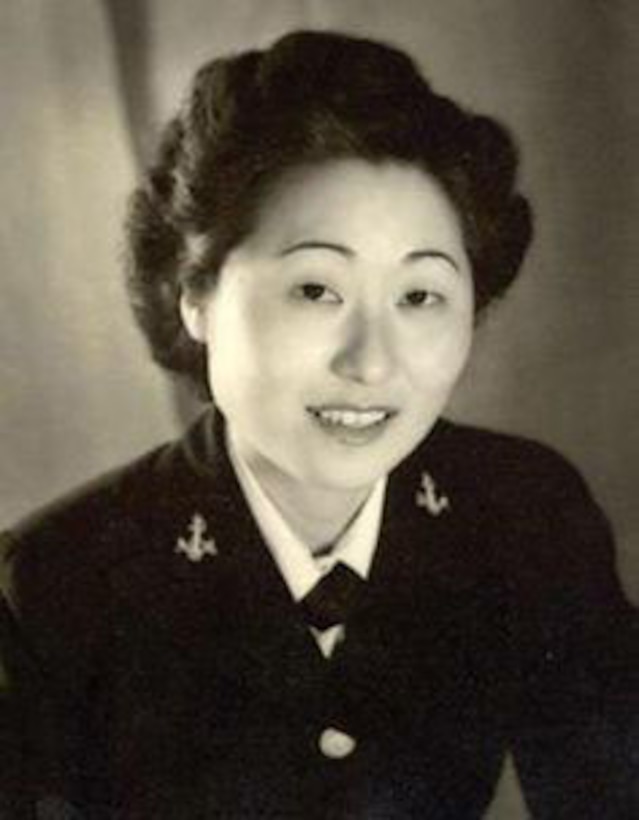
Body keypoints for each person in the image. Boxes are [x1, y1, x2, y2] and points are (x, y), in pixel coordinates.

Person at [0, 29, 637, 819]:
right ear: (191, 296)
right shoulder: (52, 586)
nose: (372, 364)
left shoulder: (525, 516)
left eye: (419, 297)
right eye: (314, 290)